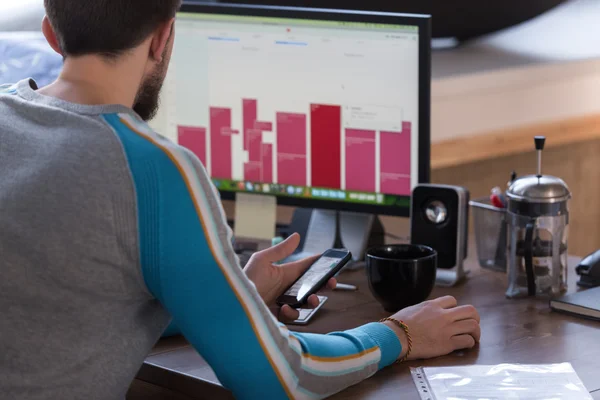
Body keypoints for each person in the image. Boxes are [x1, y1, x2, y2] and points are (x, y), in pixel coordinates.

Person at [0, 1, 481, 399]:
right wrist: (399, 335)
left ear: (51, 35)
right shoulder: (155, 169)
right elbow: (282, 380)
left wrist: (234, 295)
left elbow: (68, 302)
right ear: (164, 37)